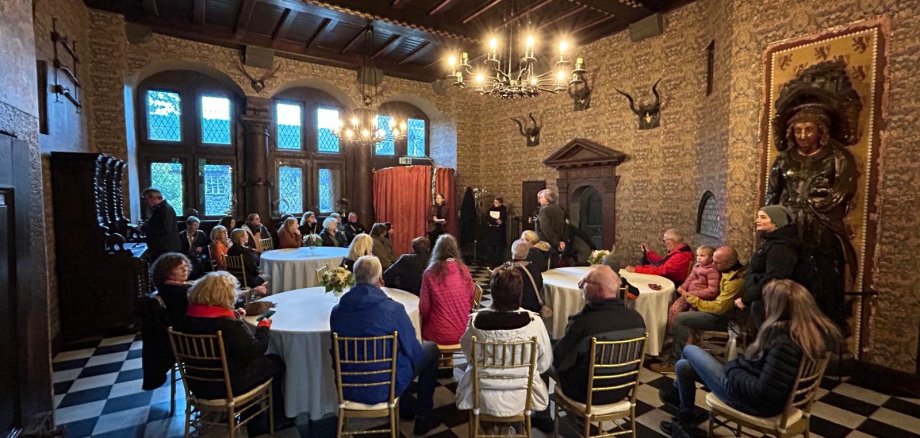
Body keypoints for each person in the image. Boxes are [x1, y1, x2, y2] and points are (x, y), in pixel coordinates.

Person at [659, 279, 842, 435]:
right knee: (684, 366)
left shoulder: (783, 343)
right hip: (764, 394)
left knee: (690, 350)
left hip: (751, 401)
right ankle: (685, 418)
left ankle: (679, 405)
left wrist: (732, 368)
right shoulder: (808, 334)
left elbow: (762, 391)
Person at [766, 104, 857, 331]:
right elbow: (772, 194)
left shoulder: (837, 157)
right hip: (789, 222)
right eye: (798, 130)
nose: (803, 135)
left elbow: (844, 189)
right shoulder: (783, 160)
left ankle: (825, 324)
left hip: (822, 222)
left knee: (823, 272)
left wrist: (822, 201)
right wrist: (769, 222)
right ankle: (786, 321)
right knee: (788, 271)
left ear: (820, 131)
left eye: (808, 129)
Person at [329, 256, 442, 435]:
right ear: (380, 280)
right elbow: (413, 351)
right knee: (430, 350)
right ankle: (423, 417)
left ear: (354, 278)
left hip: (348, 387)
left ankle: (406, 405)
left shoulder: (337, 312)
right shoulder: (394, 309)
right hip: (387, 385)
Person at [179, 271, 286, 436]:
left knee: (241, 363)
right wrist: (263, 327)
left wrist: (236, 319)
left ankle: (248, 410)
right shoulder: (226, 325)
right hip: (227, 386)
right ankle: (270, 419)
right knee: (275, 362)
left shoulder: (187, 320)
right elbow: (256, 350)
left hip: (197, 383)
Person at [455, 265, 553, 423]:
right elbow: (544, 363)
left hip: (482, 394)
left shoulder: (476, 322)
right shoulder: (534, 323)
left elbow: (468, 354)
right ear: (519, 293)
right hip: (522, 395)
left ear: (493, 292)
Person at [553, 265, 646, 406]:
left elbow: (559, 359)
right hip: (623, 389)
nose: (581, 285)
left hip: (586, 393)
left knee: (543, 363)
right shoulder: (637, 319)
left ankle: (542, 414)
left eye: (585, 282)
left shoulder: (585, 323)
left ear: (600, 289)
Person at [650, 246, 746, 374]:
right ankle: (678, 348)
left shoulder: (735, 281)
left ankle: (673, 362)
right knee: (677, 310)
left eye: (717, 262)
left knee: (682, 318)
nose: (713, 264)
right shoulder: (725, 269)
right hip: (714, 307)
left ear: (730, 263)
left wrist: (694, 300)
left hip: (726, 318)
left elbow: (719, 308)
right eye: (713, 260)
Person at [738, 206, 802, 328]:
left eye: (763, 217)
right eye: (758, 217)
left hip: (769, 303)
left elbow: (774, 278)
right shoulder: (772, 242)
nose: (757, 220)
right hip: (762, 300)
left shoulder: (781, 247)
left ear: (777, 221)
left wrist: (747, 299)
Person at [419, 234, 475, 345]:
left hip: (438, 333)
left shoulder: (430, 273)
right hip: (464, 331)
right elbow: (472, 297)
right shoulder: (464, 270)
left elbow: (424, 307)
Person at [666, 246, 721, 330]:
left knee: (688, 317)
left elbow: (712, 291)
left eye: (702, 255)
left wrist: (692, 294)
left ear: (711, 258)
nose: (698, 258)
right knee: (674, 309)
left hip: (699, 299)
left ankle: (686, 335)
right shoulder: (697, 266)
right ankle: (671, 331)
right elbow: (689, 279)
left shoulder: (712, 271)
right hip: (687, 295)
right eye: (698, 255)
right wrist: (683, 287)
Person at [625, 229, 694, 286]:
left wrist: (636, 269)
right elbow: (662, 262)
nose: (664, 243)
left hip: (671, 285)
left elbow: (660, 271)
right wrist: (649, 252)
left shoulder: (680, 256)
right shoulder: (679, 250)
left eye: (664, 241)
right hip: (666, 280)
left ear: (670, 242)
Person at [150, 252, 192, 326]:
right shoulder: (180, 291)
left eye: (186, 266)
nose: (185, 270)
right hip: (183, 328)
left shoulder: (163, 287)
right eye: (180, 268)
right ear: (167, 272)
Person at [227, 228, 269, 296]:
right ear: (241, 238)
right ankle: (261, 295)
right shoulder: (245, 251)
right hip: (249, 280)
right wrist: (259, 272)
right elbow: (252, 269)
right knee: (269, 276)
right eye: (246, 235)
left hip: (236, 279)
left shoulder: (230, 250)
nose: (247, 236)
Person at [141, 188, 180, 261]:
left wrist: (145, 228)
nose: (146, 202)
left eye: (146, 199)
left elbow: (165, 229)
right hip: (162, 248)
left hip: (165, 248)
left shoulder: (165, 209)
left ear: (154, 198)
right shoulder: (160, 209)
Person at [507, 239, 545, 314]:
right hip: (533, 309)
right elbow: (540, 285)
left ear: (512, 252)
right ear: (527, 253)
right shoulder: (534, 268)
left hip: (513, 310)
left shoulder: (506, 270)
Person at [535, 189, 566, 261]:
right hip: (557, 240)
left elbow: (546, 228)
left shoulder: (544, 210)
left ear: (547, 199)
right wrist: (559, 241)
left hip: (545, 243)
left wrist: (556, 243)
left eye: (541, 197)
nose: (539, 200)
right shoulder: (559, 208)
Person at [485, 196, 508, 265]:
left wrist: (499, 221)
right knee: (491, 248)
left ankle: (498, 262)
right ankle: (490, 262)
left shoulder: (503, 210)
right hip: (491, 231)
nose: (495, 204)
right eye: (494, 202)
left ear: (500, 203)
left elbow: (502, 220)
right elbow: (488, 217)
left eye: (497, 202)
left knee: (499, 248)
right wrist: (495, 220)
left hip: (499, 231)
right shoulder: (490, 209)